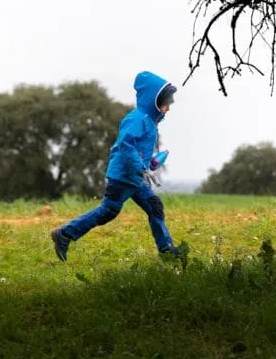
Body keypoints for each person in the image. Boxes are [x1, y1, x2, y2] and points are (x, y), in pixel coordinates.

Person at [50, 70, 180, 261]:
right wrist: (141, 168)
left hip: (135, 177)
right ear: (154, 99)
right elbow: (125, 145)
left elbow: (138, 150)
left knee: (155, 206)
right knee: (108, 211)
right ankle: (65, 234)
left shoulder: (149, 122)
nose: (169, 107)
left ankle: (167, 250)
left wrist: (152, 162)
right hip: (123, 176)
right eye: (166, 102)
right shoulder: (137, 119)